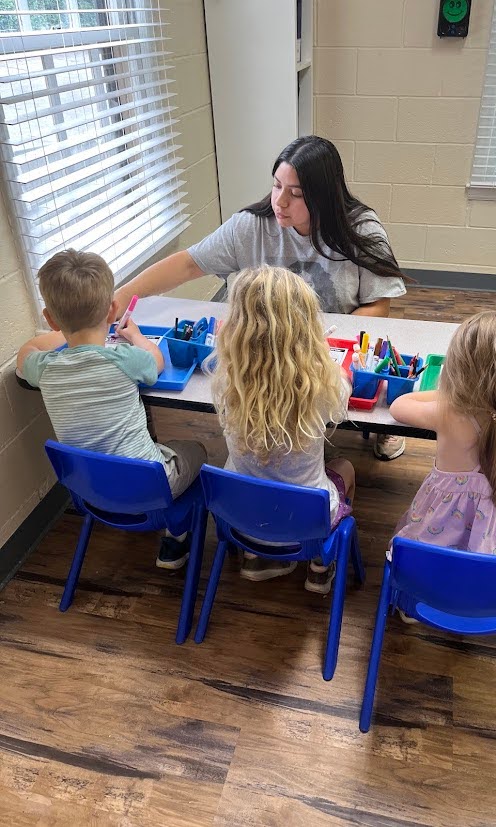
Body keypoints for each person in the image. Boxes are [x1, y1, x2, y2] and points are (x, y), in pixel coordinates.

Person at [114, 135, 408, 461]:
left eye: (295, 194)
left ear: (324, 197)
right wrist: (123, 295)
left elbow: (379, 305)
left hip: (331, 346)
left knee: (368, 381)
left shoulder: (361, 230)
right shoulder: (251, 227)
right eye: (276, 185)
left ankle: (382, 423)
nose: (279, 201)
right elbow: (187, 263)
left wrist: (312, 343)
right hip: (268, 350)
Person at [17, 250, 207, 570]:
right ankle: (176, 536)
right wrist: (134, 336)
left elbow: (26, 353)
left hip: (89, 489)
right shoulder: (123, 359)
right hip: (150, 485)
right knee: (197, 450)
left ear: (49, 318)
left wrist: (67, 330)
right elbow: (156, 362)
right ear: (113, 309)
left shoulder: (44, 368)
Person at [209, 265, 355, 595]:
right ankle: (320, 566)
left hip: (241, 514)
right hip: (304, 521)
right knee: (345, 468)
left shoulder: (227, 382)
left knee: (251, 477)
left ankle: (255, 557)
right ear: (304, 328)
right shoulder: (320, 383)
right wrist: (329, 365)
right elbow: (340, 410)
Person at [388, 311, 496, 620]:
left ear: (459, 368)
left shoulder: (448, 411)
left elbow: (398, 406)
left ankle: (417, 597)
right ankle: (473, 600)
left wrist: (449, 393)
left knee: (414, 542)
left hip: (437, 532)